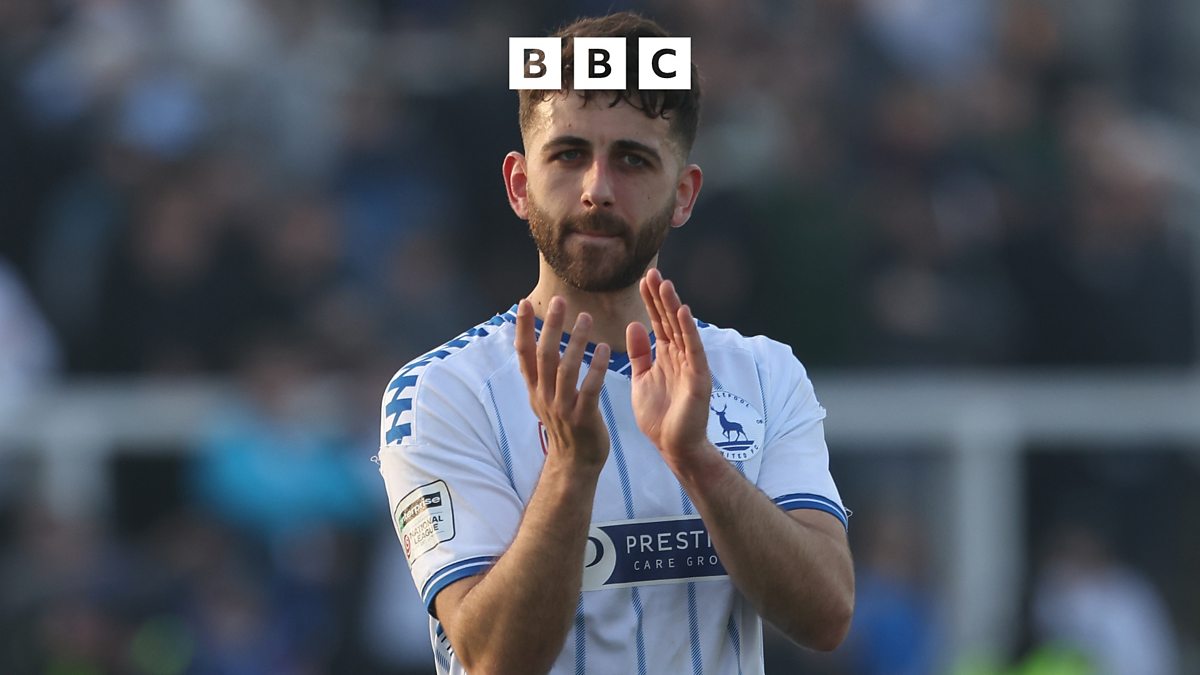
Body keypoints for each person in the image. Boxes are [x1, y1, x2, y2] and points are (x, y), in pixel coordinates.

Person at [376, 12, 854, 674]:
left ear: (684, 195)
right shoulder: (439, 393)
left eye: (632, 159)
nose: (597, 189)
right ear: (519, 185)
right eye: (569, 154)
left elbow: (828, 615)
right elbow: (492, 659)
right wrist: (571, 469)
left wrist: (699, 461)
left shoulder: (765, 374)